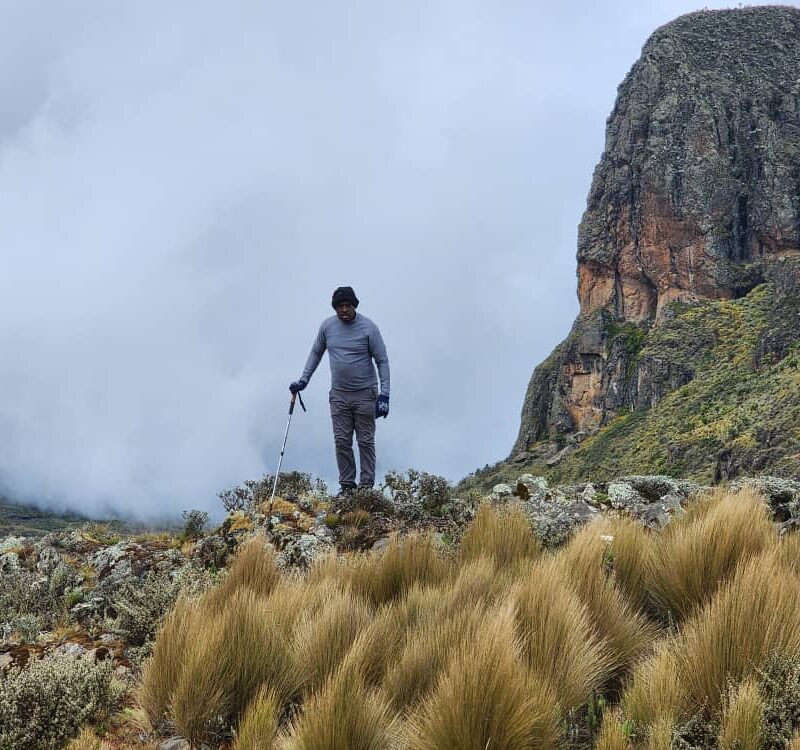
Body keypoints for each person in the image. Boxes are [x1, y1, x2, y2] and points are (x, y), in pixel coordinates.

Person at [290, 286, 390, 495]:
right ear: (335, 308)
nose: (344, 310)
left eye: (348, 305)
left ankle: (366, 487)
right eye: (340, 306)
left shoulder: (369, 328)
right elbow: (316, 353)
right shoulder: (327, 328)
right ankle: (347, 486)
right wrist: (303, 380)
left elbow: (382, 361)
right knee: (342, 440)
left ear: (354, 306)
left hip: (365, 394)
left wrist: (384, 395)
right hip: (339, 395)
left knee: (365, 440)